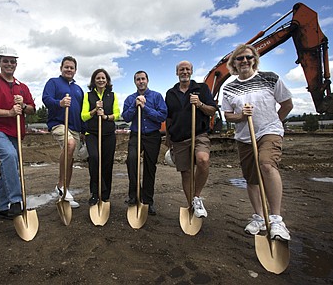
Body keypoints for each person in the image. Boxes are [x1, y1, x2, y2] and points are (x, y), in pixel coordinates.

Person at [222, 44, 293, 241]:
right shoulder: (229, 88)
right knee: (251, 178)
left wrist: (276, 122)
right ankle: (259, 217)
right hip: (244, 136)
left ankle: (277, 219)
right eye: (240, 59)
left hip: (269, 131)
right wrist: (241, 116)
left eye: (248, 57)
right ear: (233, 63)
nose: (244, 61)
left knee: (267, 165)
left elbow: (287, 103)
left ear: (254, 59)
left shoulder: (270, 78)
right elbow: (227, 115)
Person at [0, 46, 36, 220]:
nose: (9, 64)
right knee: (10, 156)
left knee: (7, 167)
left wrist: (23, 106)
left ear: (16, 64)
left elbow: (32, 109)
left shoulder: (22, 87)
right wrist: (9, 113)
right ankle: (16, 201)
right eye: (5, 61)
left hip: (16, 131)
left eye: (12, 61)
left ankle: (0, 208)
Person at [165, 61, 217, 218]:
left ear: (192, 71)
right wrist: (168, 140)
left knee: (202, 160)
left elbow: (212, 110)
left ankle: (196, 197)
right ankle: (191, 206)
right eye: (181, 69)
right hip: (179, 138)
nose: (184, 72)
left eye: (187, 69)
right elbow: (169, 118)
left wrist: (200, 104)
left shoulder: (201, 89)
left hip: (199, 134)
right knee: (186, 173)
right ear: (177, 72)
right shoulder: (170, 93)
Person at [122, 71, 167, 215]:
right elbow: (126, 117)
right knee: (132, 161)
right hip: (136, 134)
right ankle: (134, 196)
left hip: (153, 135)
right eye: (138, 79)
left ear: (147, 80)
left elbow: (162, 116)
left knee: (149, 167)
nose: (140, 81)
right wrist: (135, 106)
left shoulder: (156, 96)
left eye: (143, 79)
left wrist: (145, 107)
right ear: (135, 82)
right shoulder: (130, 99)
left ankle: (148, 200)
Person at [43, 56, 84, 208]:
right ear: (61, 68)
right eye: (66, 67)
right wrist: (59, 103)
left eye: (71, 67)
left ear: (75, 70)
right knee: (69, 143)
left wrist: (83, 131)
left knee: (71, 158)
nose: (69, 69)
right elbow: (46, 99)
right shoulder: (53, 82)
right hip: (59, 123)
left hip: (75, 127)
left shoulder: (78, 89)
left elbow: (81, 111)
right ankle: (60, 185)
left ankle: (65, 190)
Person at [81, 69, 120, 205]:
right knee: (94, 159)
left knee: (107, 163)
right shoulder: (88, 95)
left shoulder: (112, 95)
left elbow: (117, 114)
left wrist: (104, 116)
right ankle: (95, 193)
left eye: (103, 78)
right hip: (92, 133)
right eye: (98, 78)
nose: (101, 80)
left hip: (109, 134)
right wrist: (94, 110)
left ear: (107, 80)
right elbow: (83, 116)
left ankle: (105, 194)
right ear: (94, 80)